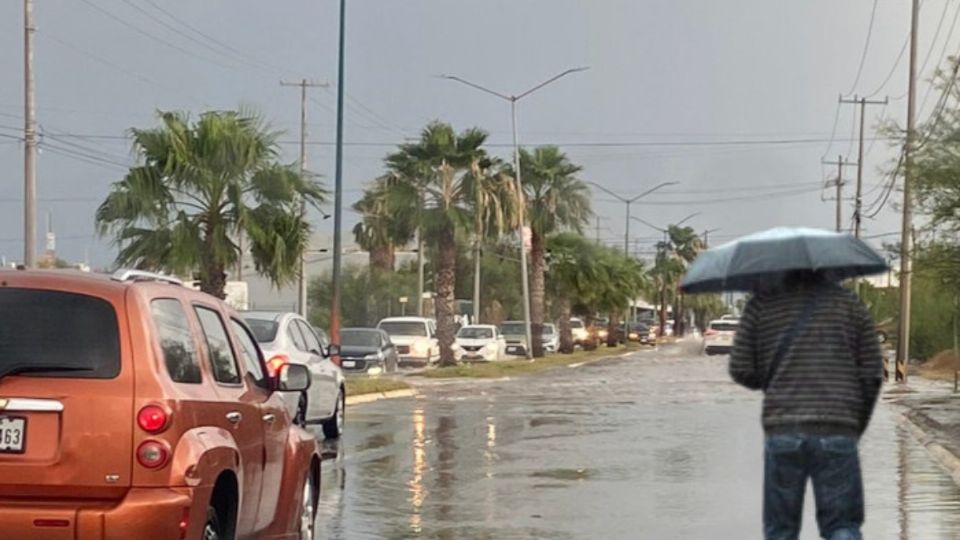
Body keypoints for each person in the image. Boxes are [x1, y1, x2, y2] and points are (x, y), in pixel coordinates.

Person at [729, 271, 883, 540]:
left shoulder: (761, 305)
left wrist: (774, 377)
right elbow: (871, 374)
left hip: (783, 429)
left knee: (781, 530)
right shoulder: (850, 304)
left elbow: (741, 368)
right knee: (842, 527)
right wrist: (857, 423)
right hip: (838, 428)